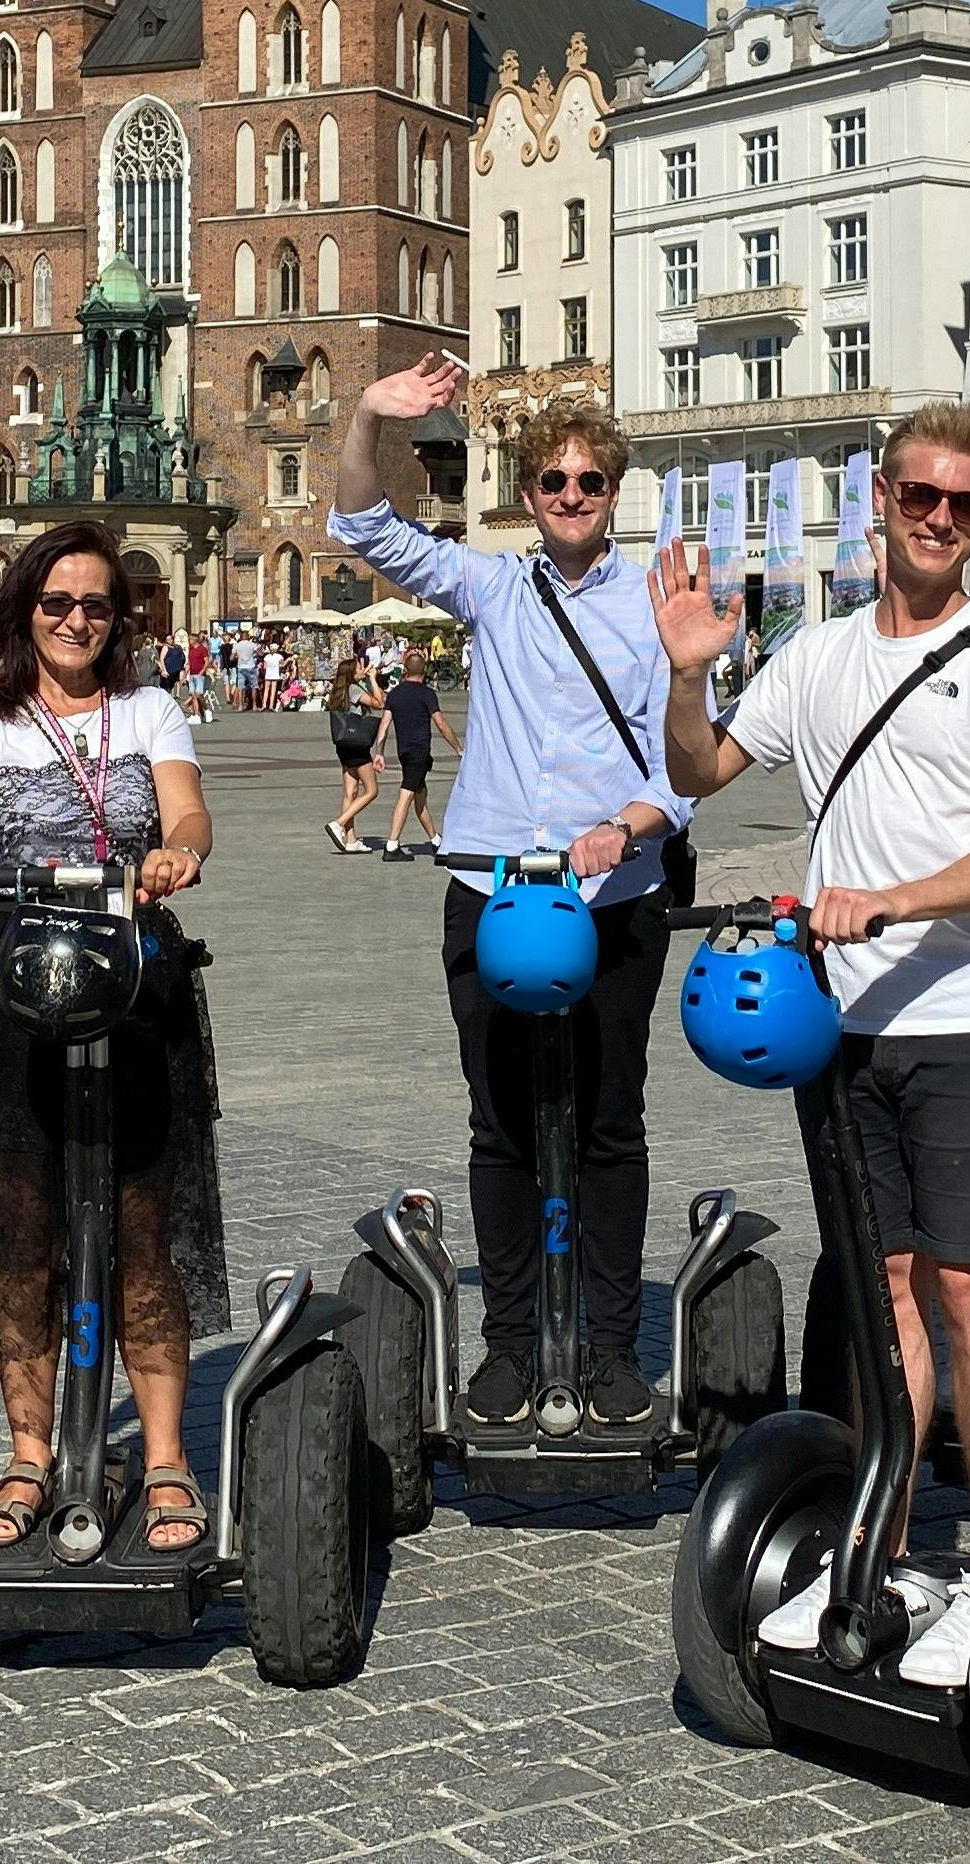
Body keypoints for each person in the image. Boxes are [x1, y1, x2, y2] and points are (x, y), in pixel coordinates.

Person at [655, 398, 970, 1692]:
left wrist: (888, 901)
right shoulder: (821, 656)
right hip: (848, 1026)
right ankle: (882, 1552)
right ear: (881, 501)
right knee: (880, 1288)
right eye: (921, 497)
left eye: (966, 505)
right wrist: (684, 669)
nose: (941, 520)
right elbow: (702, 769)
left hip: (964, 1019)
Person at [330, 361, 691, 1425]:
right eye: (551, 481)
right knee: (499, 1124)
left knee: (609, 1122)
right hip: (491, 887)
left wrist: (623, 826)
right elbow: (364, 525)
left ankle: (614, 1346)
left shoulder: (653, 602)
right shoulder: (495, 585)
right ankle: (512, 1341)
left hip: (614, 894)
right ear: (527, 493)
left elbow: (690, 761)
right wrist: (365, 413)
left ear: (612, 492)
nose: (570, 496)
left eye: (587, 481)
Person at [0, 525, 227, 1554]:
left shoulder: (149, 708)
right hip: (11, 987)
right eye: (57, 602)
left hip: (133, 974)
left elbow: (190, 812)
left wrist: (175, 854)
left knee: (144, 1232)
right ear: (26, 609)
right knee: (20, 1235)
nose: (76, 620)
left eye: (97, 605)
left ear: (121, 618)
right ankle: (29, 1452)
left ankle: (164, 1458)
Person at [377, 653, 457, 859]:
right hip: (419, 752)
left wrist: (379, 753)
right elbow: (441, 724)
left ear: (405, 670)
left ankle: (435, 840)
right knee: (407, 794)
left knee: (419, 795)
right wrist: (458, 748)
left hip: (404, 752)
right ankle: (392, 846)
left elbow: (384, 726)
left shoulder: (394, 694)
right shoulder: (427, 694)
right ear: (424, 672)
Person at [320, 652, 382, 855]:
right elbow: (379, 703)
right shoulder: (353, 689)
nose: (361, 669)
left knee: (350, 792)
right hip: (357, 745)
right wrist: (372, 678)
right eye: (358, 668)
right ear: (351, 673)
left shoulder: (339, 691)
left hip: (343, 744)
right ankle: (339, 823)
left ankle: (351, 840)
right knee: (372, 790)